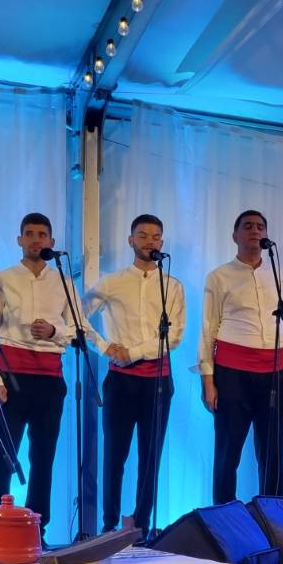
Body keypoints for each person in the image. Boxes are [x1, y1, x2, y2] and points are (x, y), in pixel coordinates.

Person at [83, 214, 185, 534]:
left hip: (158, 381)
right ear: (130, 241)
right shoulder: (112, 282)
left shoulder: (172, 286)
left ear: (162, 243)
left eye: (155, 237)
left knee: (150, 457)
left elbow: (175, 335)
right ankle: (109, 525)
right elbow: (75, 316)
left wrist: (135, 351)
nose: (149, 242)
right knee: (115, 455)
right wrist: (104, 347)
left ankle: (141, 526)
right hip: (121, 381)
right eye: (142, 236)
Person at [198, 210, 283, 503]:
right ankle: (223, 517)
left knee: (272, 453)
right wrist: (208, 380)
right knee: (227, 452)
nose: (255, 231)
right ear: (235, 236)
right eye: (248, 227)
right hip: (232, 374)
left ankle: (273, 515)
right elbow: (208, 329)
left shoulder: (279, 274)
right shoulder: (219, 276)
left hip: (275, 373)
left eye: (260, 227)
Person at [0, 212, 75, 535]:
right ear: (19, 240)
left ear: (51, 241)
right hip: (11, 377)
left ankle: (37, 530)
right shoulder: (2, 279)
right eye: (30, 234)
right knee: (2, 456)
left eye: (42, 234)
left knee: (43, 457)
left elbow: (77, 329)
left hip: (50, 379)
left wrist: (54, 331)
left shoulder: (63, 282)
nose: (36, 240)